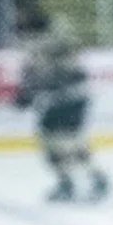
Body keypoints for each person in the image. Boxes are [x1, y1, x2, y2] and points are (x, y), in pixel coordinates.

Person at [11, 11, 105, 202]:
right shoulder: (57, 37)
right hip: (75, 97)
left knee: (57, 139)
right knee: (68, 139)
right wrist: (29, 93)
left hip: (66, 98)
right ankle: (92, 178)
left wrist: (28, 95)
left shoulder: (43, 45)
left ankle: (74, 181)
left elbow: (48, 73)